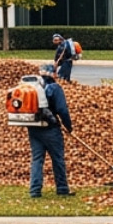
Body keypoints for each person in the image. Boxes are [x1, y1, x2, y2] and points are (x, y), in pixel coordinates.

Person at [28, 63, 72, 198]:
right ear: (54, 74)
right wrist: (68, 126)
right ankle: (62, 188)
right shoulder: (55, 88)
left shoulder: (33, 88)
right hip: (51, 129)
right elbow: (62, 110)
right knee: (57, 158)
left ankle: (35, 190)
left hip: (34, 128)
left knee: (37, 159)